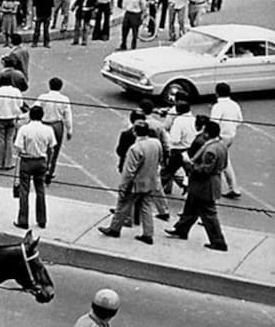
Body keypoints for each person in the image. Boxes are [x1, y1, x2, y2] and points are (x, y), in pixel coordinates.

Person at [166, 119, 229, 251]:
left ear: (207, 133)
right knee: (190, 208)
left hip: (205, 186)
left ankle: (218, 241)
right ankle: (181, 229)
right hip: (204, 185)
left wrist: (190, 165)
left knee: (209, 214)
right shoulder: (221, 145)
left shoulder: (210, 150)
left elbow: (205, 170)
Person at [100, 121, 161, 244]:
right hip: (150, 180)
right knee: (146, 206)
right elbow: (160, 159)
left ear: (134, 132)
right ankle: (148, 234)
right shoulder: (156, 143)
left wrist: (123, 186)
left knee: (123, 205)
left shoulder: (135, 148)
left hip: (136, 184)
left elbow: (129, 171)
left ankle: (114, 229)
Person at [14, 106, 57, 229]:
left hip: (27, 160)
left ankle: (23, 220)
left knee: (24, 190)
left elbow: (18, 146)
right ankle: (42, 219)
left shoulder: (24, 129)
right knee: (40, 190)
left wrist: (22, 152)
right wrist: (48, 163)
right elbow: (51, 148)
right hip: (41, 161)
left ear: (30, 116)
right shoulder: (48, 130)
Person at [35, 78, 74, 184]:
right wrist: (69, 130)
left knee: (42, 148)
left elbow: (35, 109)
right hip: (57, 124)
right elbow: (67, 116)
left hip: (44, 123)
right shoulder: (64, 99)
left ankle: (42, 168)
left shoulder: (43, 97)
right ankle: (51, 170)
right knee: (55, 149)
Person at [209, 82, 243, 199]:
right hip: (231, 136)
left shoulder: (218, 106)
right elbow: (240, 121)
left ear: (217, 93)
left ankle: (229, 188)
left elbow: (214, 123)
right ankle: (233, 187)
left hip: (220, 137)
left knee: (218, 162)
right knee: (225, 161)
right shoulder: (234, 105)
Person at [0, 80, 26, 171]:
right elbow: (20, 104)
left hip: (0, 117)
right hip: (12, 117)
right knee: (9, 140)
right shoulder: (16, 91)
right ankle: (8, 163)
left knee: (0, 140)